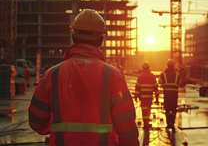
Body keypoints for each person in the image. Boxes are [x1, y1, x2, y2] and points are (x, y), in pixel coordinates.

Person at [28, 9, 139, 146]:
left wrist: (60, 127)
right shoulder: (113, 75)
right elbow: (127, 127)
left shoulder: (53, 74)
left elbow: (36, 121)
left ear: (73, 35)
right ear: (101, 39)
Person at [135, 62, 158, 130]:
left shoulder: (140, 76)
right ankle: (147, 123)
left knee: (144, 110)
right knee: (148, 110)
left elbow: (137, 87)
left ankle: (145, 123)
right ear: (148, 68)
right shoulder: (152, 76)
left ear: (143, 68)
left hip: (142, 97)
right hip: (149, 97)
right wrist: (156, 98)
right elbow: (155, 87)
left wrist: (136, 96)